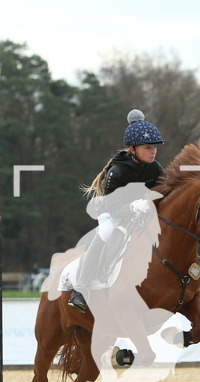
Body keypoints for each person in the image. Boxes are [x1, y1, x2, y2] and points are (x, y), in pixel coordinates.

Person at [68, 109, 166, 312]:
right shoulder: (118, 171)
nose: (153, 152)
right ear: (133, 149)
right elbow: (113, 207)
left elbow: (165, 192)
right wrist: (133, 206)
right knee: (105, 233)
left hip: (143, 214)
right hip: (113, 214)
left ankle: (194, 277)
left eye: (154, 148)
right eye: (148, 148)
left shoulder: (155, 167)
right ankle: (81, 288)